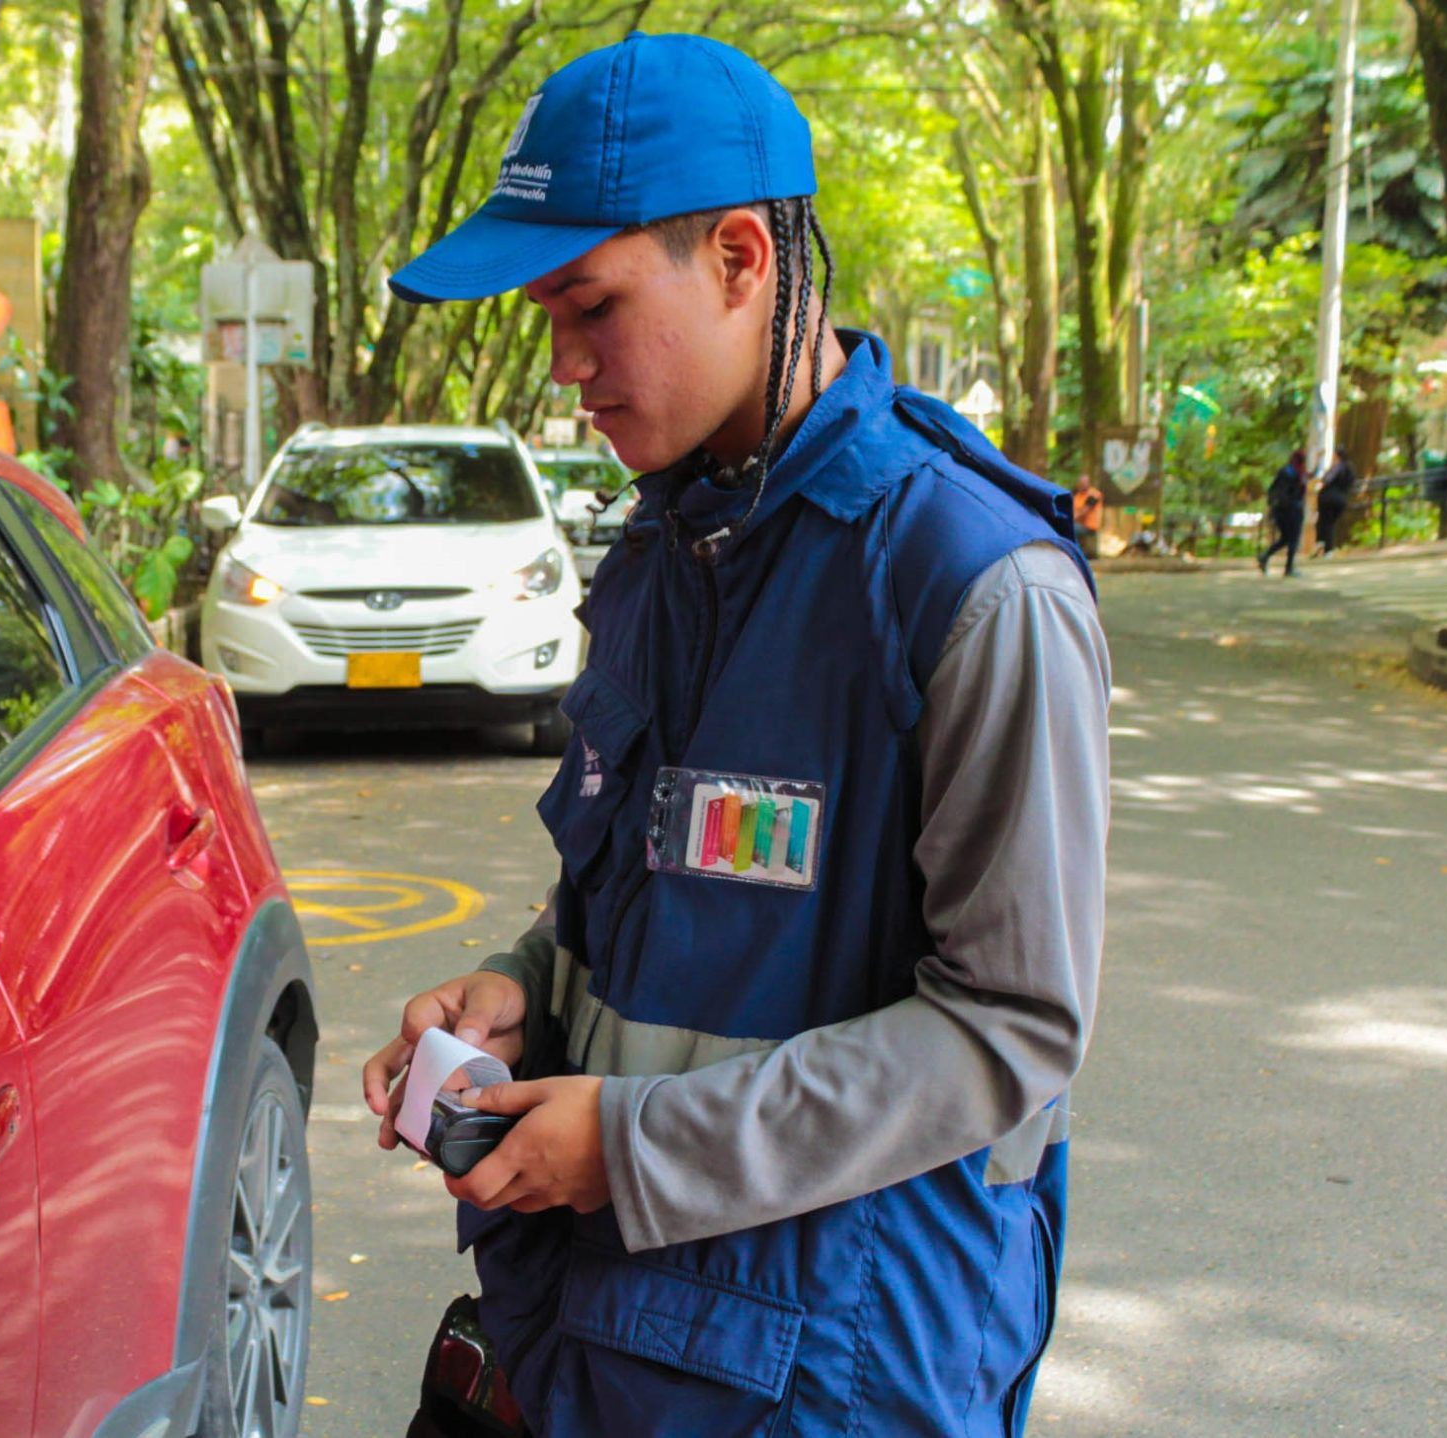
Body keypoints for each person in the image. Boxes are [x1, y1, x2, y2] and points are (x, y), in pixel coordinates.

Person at [363, 33, 1110, 1437]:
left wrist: (634, 1147)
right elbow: (644, 891)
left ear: (741, 261)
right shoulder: (661, 548)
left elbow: (1010, 1028)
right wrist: (520, 987)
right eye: (546, 318)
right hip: (589, 1336)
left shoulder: (975, 586)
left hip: (836, 1379)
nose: (567, 366)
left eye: (592, 306)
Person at [1261, 449, 1307, 574]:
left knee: (1286, 538)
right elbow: (1299, 493)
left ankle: (1265, 556)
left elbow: (1273, 489)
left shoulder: (1284, 471)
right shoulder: (1298, 474)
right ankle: (1289, 567)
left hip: (1279, 510)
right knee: (1293, 539)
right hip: (1293, 509)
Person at [1314, 447, 1358, 556]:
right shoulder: (1350, 468)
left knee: (1325, 522)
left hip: (1328, 498)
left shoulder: (1337, 467)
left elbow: (1327, 479)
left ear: (1337, 456)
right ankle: (1323, 545)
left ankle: (1326, 547)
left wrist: (1320, 484)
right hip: (1341, 499)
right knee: (1330, 523)